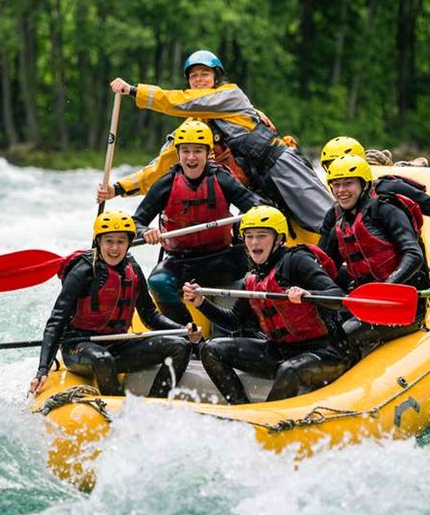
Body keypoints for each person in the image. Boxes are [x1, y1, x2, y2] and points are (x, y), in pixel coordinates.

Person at [99, 49, 334, 232]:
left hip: (279, 165)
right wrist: (118, 188)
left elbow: (178, 102)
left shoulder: (230, 95)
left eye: (204, 74)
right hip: (254, 187)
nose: (199, 80)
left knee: (324, 218)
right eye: (194, 76)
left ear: (216, 78)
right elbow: (161, 166)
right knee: (272, 231)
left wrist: (133, 90)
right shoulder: (193, 128)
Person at [182, 206, 351, 404]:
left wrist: (309, 294)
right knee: (211, 349)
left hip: (325, 352)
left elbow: (339, 298)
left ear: (279, 238)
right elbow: (234, 322)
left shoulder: (297, 261)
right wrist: (201, 303)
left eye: (262, 236)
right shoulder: (252, 278)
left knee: (289, 370)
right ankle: (241, 409)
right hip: (279, 351)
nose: (254, 242)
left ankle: (268, 425)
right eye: (249, 236)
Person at [30, 211, 199, 398]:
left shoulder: (132, 268)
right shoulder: (83, 271)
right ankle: (118, 410)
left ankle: (156, 404)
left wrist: (183, 329)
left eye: (121, 241)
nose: (115, 248)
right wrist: (43, 369)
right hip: (79, 346)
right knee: (102, 359)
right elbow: (56, 322)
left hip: (117, 344)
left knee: (180, 346)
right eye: (109, 241)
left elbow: (150, 315)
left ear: (128, 243)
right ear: (99, 242)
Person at [131, 118, 265, 325]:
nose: (191, 157)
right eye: (185, 151)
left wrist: (249, 224)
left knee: (252, 276)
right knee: (158, 281)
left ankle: (238, 332)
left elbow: (257, 209)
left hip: (223, 259)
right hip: (182, 262)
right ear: (178, 153)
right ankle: (187, 335)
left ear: (208, 153)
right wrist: (145, 232)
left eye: (197, 151)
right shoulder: (166, 184)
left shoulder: (222, 179)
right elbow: (136, 223)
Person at [318, 154, 429, 355]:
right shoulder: (340, 225)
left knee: (342, 335)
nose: (341, 191)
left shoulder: (386, 210)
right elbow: (325, 270)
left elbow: (414, 254)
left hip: (402, 306)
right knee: (324, 327)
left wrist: (387, 288)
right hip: (366, 304)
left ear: (364, 185)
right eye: (336, 185)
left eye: (348, 184)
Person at [320, 136, 430, 273]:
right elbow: (322, 258)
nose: (338, 170)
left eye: (348, 181)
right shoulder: (337, 212)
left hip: (406, 273)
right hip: (367, 279)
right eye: (331, 167)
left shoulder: (389, 189)